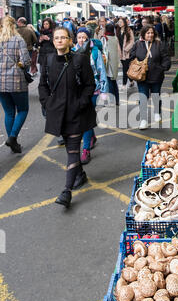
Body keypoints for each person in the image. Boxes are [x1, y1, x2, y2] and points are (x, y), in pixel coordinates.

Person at [38, 26, 97, 208]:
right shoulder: (48, 60)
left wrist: (80, 103)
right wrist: (47, 103)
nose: (60, 40)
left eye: (63, 37)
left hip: (76, 113)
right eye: (57, 38)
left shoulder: (80, 59)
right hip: (58, 114)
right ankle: (80, 174)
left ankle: (66, 191)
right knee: (70, 150)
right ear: (53, 41)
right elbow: (42, 85)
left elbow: (90, 85)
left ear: (70, 41)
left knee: (72, 151)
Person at [72, 26, 108, 165]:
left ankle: (86, 149)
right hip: (78, 91)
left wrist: (104, 91)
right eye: (79, 37)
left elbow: (101, 71)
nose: (81, 40)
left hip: (94, 89)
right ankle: (91, 137)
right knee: (86, 117)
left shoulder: (95, 52)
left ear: (88, 38)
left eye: (84, 38)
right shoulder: (73, 51)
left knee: (86, 117)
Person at [129, 25, 171, 130]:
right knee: (143, 97)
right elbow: (131, 57)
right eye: (148, 33)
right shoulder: (137, 44)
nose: (150, 35)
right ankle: (143, 120)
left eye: (152, 33)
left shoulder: (159, 44)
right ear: (143, 34)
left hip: (157, 75)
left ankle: (157, 112)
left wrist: (163, 67)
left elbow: (166, 57)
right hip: (142, 76)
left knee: (156, 95)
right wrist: (136, 64)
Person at [0, 15, 31, 153]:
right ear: (14, 25)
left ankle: (13, 142)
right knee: (23, 109)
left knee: (9, 112)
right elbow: (26, 61)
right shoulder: (18, 40)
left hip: (0, 82)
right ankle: (12, 138)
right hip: (16, 80)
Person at [103, 22, 121, 106]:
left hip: (108, 63)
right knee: (114, 82)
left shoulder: (105, 38)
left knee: (109, 82)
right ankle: (117, 100)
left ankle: (112, 101)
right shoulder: (115, 37)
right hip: (114, 63)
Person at [116, 17, 135, 90]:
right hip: (120, 53)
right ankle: (131, 81)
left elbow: (132, 41)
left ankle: (124, 85)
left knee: (125, 68)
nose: (119, 23)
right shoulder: (117, 31)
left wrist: (126, 49)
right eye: (119, 22)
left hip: (127, 53)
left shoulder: (129, 30)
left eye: (121, 22)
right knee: (127, 68)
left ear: (124, 22)